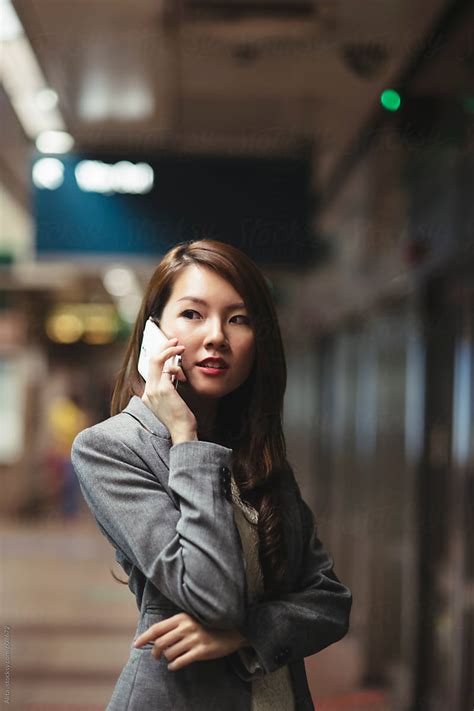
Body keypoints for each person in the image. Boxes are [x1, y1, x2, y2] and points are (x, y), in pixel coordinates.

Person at [71, 239, 352, 711]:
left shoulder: (259, 455)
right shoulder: (111, 449)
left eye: (238, 318)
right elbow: (210, 598)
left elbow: (329, 602)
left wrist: (247, 634)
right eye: (193, 314)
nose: (216, 335)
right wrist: (187, 440)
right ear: (154, 333)